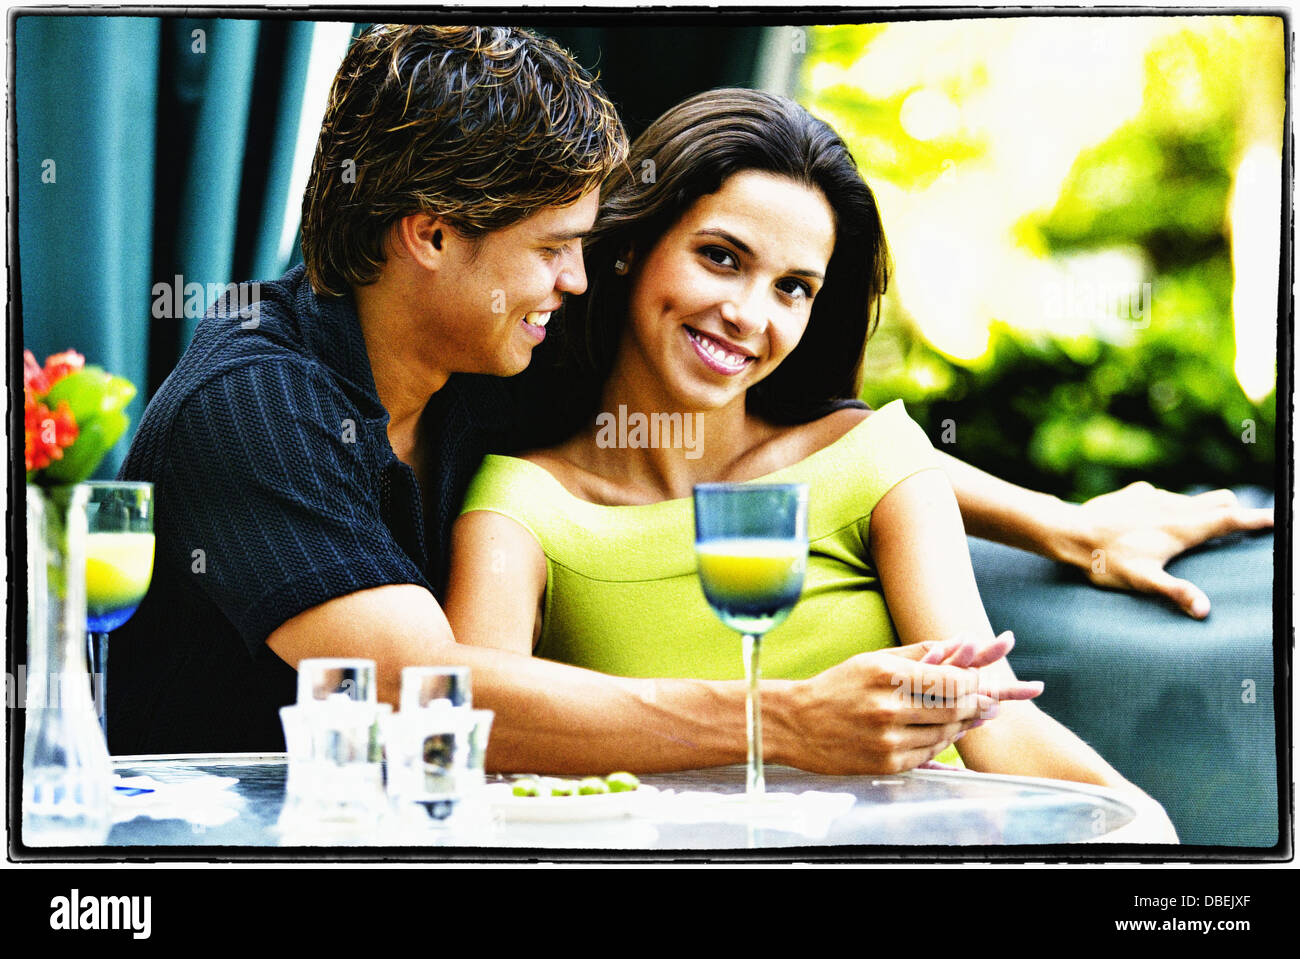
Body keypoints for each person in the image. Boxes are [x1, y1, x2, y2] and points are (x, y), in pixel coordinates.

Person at [111, 25, 1266, 781]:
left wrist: (1061, 521)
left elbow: (795, 448)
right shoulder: (256, 404)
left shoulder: (479, 367)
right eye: (556, 248)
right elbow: (437, 700)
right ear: (430, 234)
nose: (576, 279)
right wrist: (781, 718)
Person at [444, 89, 1187, 838]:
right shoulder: (524, 507)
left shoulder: (870, 460)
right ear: (633, 243)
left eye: (792, 288)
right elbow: (475, 732)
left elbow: (993, 724)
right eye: (720, 257)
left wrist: (1145, 826)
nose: (750, 314)